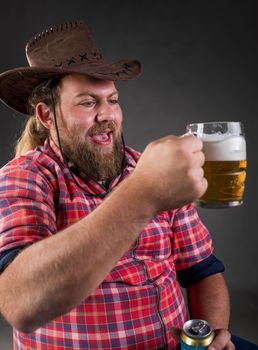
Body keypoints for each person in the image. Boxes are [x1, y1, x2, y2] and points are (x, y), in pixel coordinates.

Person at [0, 20, 256, 350]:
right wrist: (143, 195)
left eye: (113, 99)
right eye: (88, 102)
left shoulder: (152, 167)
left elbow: (202, 270)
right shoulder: (25, 178)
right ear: (47, 116)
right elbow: (20, 303)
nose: (108, 114)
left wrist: (209, 336)